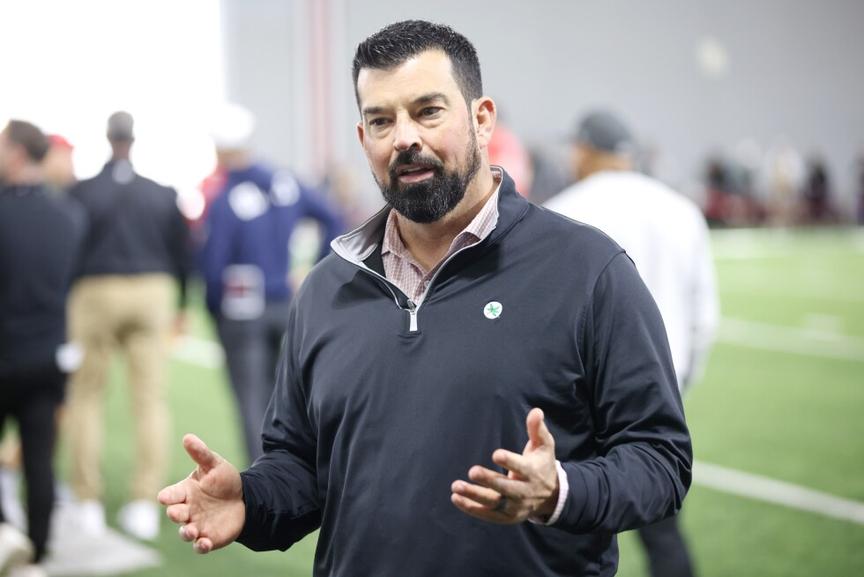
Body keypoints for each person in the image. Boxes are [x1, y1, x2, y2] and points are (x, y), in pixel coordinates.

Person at [159, 21, 692, 577]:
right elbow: (301, 467)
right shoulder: (326, 290)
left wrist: (560, 491)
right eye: (381, 121)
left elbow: (661, 459)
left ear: (482, 120)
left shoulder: (587, 270)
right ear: (363, 139)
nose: (404, 137)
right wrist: (251, 501)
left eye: (428, 111)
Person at [546, 111, 720, 577]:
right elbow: (704, 316)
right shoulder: (681, 210)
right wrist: (676, 386)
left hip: (575, 396)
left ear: (584, 150)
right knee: (663, 529)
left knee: (569, 533)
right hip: (659, 392)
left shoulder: (563, 210)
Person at [64, 111, 191, 541]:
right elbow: (183, 251)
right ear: (133, 140)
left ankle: (87, 500)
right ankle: (143, 501)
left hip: (95, 290)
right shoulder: (160, 193)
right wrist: (182, 303)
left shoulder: (82, 192)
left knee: (86, 397)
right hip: (152, 291)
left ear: (108, 138)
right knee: (150, 400)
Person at [199, 103, 343, 464]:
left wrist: (213, 307)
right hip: (285, 304)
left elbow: (214, 264)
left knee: (252, 401)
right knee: (291, 398)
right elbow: (334, 219)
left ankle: (264, 478)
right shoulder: (285, 182)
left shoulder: (224, 197)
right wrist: (315, 271)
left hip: (240, 312)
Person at [0, 120, 85, 577]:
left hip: (6, 353)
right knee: (39, 460)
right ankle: (37, 553)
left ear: (16, 153)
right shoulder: (69, 215)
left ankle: (6, 538)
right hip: (48, 355)